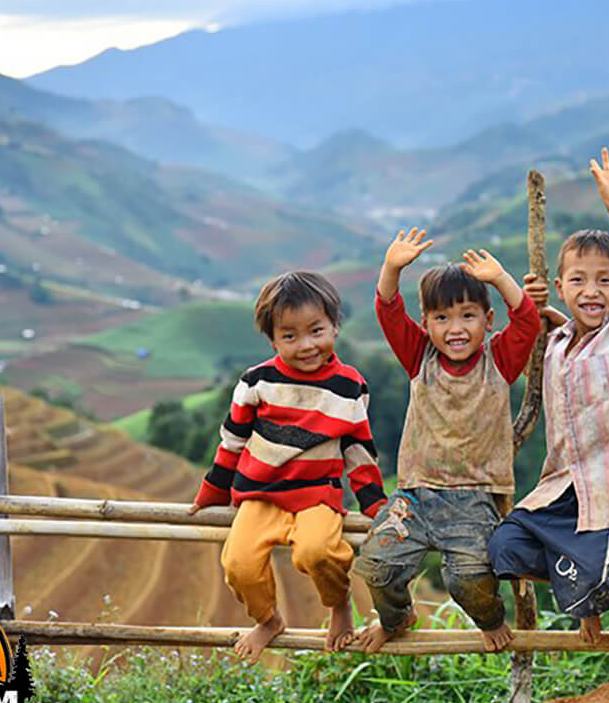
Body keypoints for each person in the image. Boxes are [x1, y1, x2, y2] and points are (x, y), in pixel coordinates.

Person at [487, 148, 609, 652]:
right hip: (562, 488)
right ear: (560, 287)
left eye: (605, 282)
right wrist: (529, 302)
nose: (592, 291)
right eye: (578, 281)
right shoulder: (560, 340)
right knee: (504, 548)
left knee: (603, 568)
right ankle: (587, 594)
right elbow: (555, 329)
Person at [353, 230, 544, 653]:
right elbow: (387, 311)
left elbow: (528, 320)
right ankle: (397, 617)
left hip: (474, 500)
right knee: (376, 567)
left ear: (488, 321)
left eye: (467, 316)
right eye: (441, 318)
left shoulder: (500, 360)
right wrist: (391, 269)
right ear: (426, 324)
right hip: (415, 496)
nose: (455, 329)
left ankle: (490, 618)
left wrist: (500, 279)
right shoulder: (419, 357)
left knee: (469, 579)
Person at [189, 271, 388, 662]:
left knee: (317, 553)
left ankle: (339, 605)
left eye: (316, 330)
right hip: (259, 493)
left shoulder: (349, 387)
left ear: (335, 325)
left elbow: (358, 450)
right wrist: (211, 491)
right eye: (290, 336)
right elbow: (233, 442)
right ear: (273, 339)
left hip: (317, 494)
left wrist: (375, 505)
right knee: (238, 563)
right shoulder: (256, 382)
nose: (306, 345)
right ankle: (268, 619)